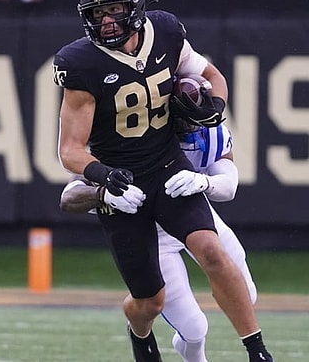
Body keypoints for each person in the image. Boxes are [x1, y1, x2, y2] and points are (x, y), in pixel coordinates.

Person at [54, 0, 273, 362]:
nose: (106, 22)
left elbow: (211, 75)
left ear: (135, 7)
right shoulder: (81, 62)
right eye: (97, 13)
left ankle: (257, 350)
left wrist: (214, 107)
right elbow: (70, 150)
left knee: (211, 249)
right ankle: (139, 333)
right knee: (149, 300)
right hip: (124, 185)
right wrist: (105, 177)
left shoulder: (166, 32)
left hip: (167, 166)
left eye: (114, 10)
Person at [61, 114, 258, 362]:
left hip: (195, 217)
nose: (194, 121)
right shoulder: (127, 140)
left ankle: (255, 348)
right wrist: (103, 194)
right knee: (194, 328)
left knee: (246, 295)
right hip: (155, 235)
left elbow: (228, 187)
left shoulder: (210, 134)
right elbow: (69, 196)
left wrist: (204, 182)